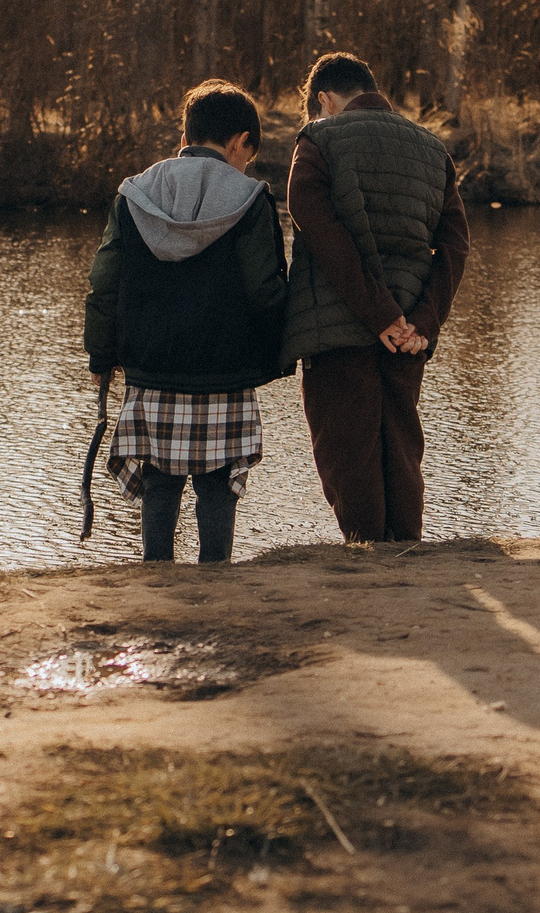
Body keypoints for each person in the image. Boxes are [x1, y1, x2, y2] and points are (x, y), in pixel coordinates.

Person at [83, 80, 289, 562]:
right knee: (218, 486)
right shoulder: (251, 200)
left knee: (160, 484)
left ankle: (156, 573)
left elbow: (105, 281)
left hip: (151, 371)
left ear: (188, 133)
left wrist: (101, 354)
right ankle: (215, 577)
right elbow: (265, 291)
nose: (245, 166)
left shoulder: (134, 195)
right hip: (226, 373)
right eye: (248, 155)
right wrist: (281, 351)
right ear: (240, 141)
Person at [281, 52, 469, 543]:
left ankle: (369, 564)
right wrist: (422, 324)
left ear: (323, 99)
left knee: (348, 455)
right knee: (401, 448)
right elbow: (454, 245)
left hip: (337, 331)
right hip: (408, 336)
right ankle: (406, 555)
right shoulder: (432, 149)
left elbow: (321, 231)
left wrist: (379, 315)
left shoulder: (317, 139)